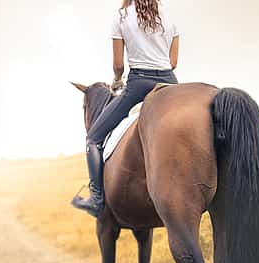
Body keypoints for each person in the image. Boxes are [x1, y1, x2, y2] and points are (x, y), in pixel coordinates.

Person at [71, 0, 180, 217]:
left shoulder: (121, 16)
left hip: (139, 83)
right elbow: (173, 62)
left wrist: (117, 79)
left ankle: (96, 199)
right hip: (170, 82)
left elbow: (119, 65)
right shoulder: (168, 16)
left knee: (93, 138)